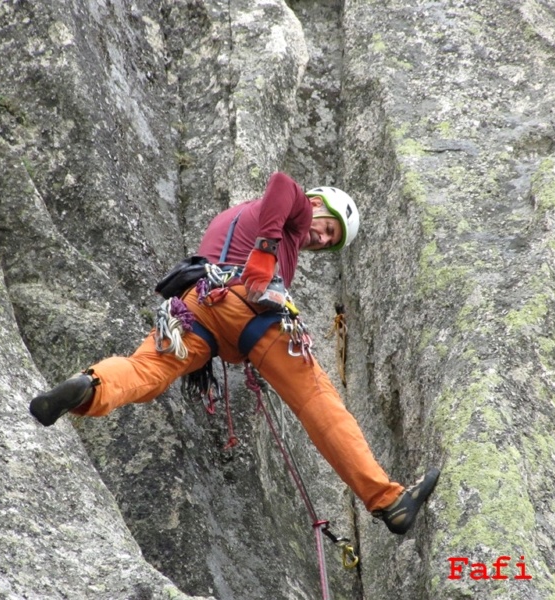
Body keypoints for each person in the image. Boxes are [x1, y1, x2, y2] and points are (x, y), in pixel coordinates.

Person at [29, 171, 439, 535]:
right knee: (318, 401)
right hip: (249, 306)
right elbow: (282, 183)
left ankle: (89, 386)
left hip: (195, 308)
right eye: (329, 227)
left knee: (145, 370)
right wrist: (264, 251)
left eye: (331, 241)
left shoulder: (233, 218)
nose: (324, 239)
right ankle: (388, 500)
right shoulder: (291, 217)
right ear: (316, 205)